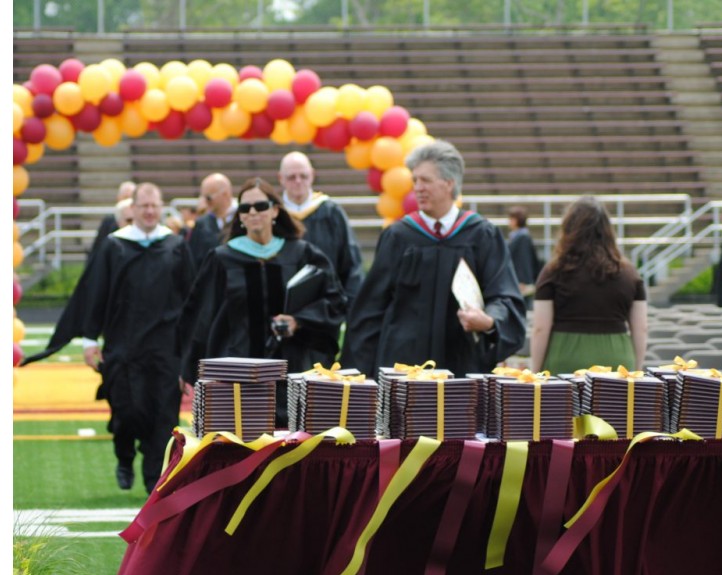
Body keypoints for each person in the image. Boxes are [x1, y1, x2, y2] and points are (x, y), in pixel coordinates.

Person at [22, 183, 196, 494]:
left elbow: (190, 301)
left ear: (161, 207)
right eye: (143, 205)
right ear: (133, 209)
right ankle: (125, 456)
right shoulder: (114, 246)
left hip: (164, 348)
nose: (149, 211)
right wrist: (90, 340)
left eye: (154, 205)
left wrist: (189, 352)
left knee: (163, 416)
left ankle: (152, 483)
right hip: (123, 345)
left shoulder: (176, 246)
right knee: (127, 411)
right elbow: (96, 294)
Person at [340, 139, 527, 378]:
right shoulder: (399, 236)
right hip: (402, 371)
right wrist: (360, 375)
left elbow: (504, 295)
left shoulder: (481, 235)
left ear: (449, 183)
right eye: (414, 180)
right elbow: (369, 311)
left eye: (425, 180)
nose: (417, 187)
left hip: (462, 368)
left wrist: (490, 320)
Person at [177, 177, 348, 427]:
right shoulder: (223, 258)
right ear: (240, 216)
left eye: (261, 206)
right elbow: (200, 314)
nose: (253, 212)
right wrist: (187, 364)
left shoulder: (302, 254)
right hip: (237, 372)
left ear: (275, 210)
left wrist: (298, 321)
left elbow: (335, 301)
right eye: (245, 208)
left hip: (293, 370)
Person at [529, 196, 647, 374]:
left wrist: (535, 372)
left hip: (565, 356)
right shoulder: (630, 274)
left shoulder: (553, 271)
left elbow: (540, 328)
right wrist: (636, 369)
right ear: (608, 231)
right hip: (617, 359)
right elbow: (641, 328)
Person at [278, 151, 364, 305]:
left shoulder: (331, 212)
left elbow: (351, 263)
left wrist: (350, 305)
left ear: (312, 175)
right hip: (282, 306)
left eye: (303, 176)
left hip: (327, 307)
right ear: (281, 179)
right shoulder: (274, 215)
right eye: (291, 177)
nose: (298, 181)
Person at [188, 172, 237, 266]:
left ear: (225, 194)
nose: (204, 202)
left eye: (208, 198)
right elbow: (193, 262)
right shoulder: (201, 224)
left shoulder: (243, 218)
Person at [87, 180, 136, 259]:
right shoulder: (109, 222)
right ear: (118, 199)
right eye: (125, 198)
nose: (128, 202)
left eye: (131, 198)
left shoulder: (142, 225)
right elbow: (98, 249)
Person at [507, 205, 542, 310]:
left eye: (511, 219)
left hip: (522, 284)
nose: (509, 222)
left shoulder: (523, 238)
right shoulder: (518, 237)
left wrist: (523, 280)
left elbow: (524, 261)